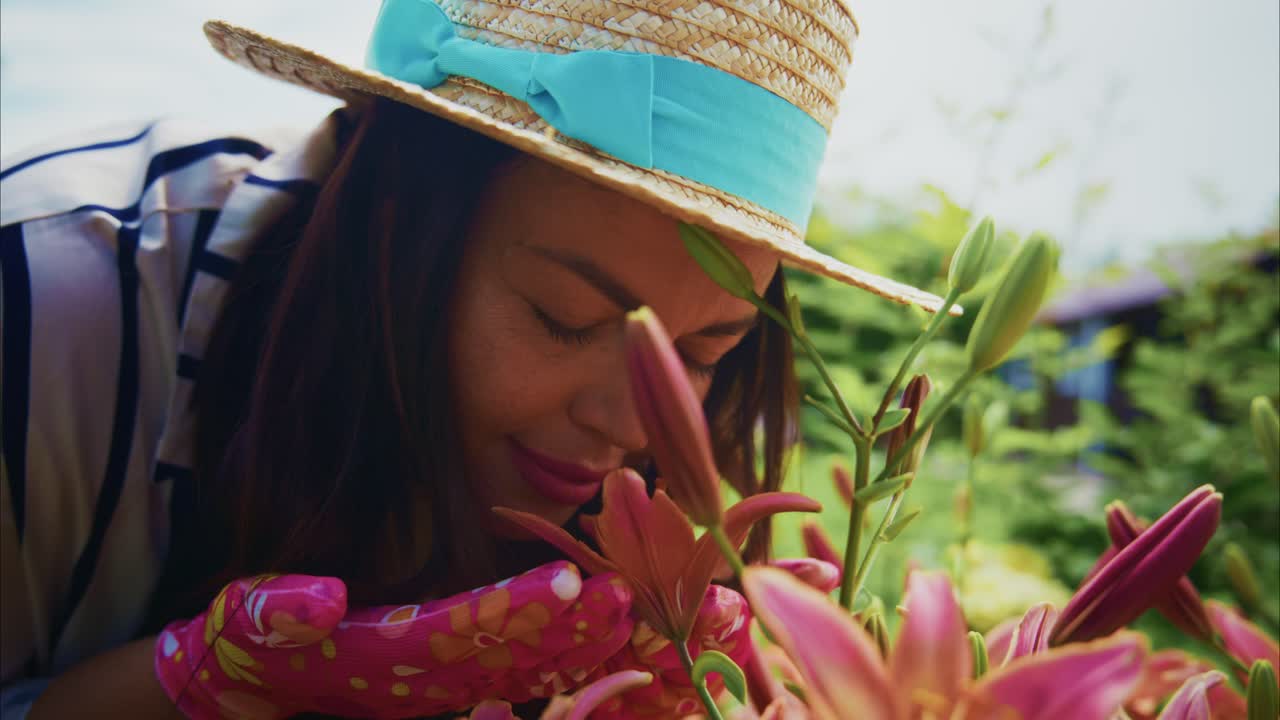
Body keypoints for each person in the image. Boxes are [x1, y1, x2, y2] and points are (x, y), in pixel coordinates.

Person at [0, 0, 949, 717]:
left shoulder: (694, 460)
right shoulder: (48, 298)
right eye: (566, 317)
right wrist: (188, 687)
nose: (632, 427)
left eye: (703, 353)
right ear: (395, 216)